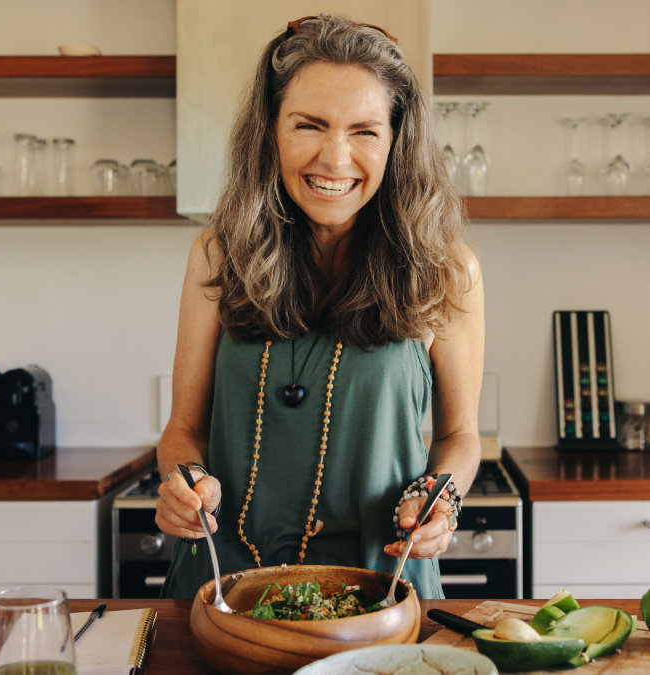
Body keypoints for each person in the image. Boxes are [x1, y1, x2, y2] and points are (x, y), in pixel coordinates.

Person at [154, 13, 484, 601]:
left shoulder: (446, 268)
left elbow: (460, 435)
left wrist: (444, 497)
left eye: (364, 131)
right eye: (309, 125)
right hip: (224, 589)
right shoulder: (217, 254)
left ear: (396, 143)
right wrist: (183, 482)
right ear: (271, 131)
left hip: (381, 591)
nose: (335, 158)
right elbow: (183, 431)